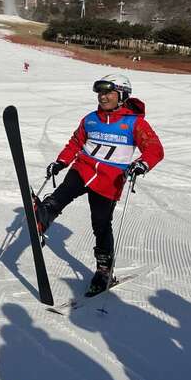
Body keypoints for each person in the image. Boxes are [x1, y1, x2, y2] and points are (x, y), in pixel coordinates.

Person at [35, 74, 164, 295]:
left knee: (101, 224)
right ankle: (41, 218)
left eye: (108, 93)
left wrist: (142, 164)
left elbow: (154, 149)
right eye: (100, 93)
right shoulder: (90, 119)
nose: (103, 97)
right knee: (61, 195)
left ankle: (104, 270)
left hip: (110, 179)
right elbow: (76, 142)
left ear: (121, 95)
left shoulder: (135, 123)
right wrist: (61, 162)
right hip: (83, 168)